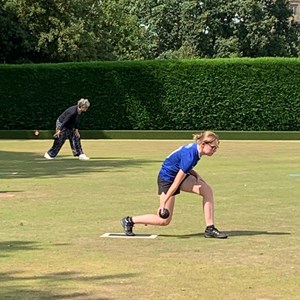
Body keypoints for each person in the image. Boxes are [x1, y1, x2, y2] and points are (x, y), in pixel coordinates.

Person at [121, 131, 228, 239]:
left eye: (216, 148)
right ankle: (129, 220)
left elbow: (180, 164)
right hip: (167, 179)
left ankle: (210, 228)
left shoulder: (196, 150)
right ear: (203, 144)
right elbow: (176, 182)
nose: (214, 150)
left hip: (178, 174)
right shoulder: (191, 155)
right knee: (164, 220)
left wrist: (195, 174)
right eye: (213, 147)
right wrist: (163, 203)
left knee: (207, 190)